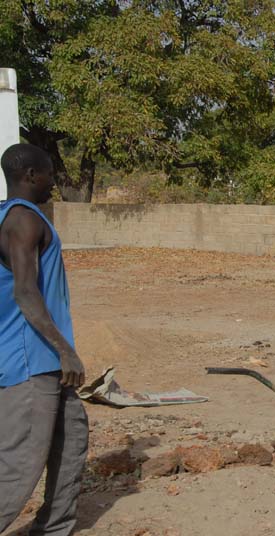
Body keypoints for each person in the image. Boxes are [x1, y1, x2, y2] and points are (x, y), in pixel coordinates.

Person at [0, 144, 88, 535]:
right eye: (50, 173)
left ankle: (54, 528)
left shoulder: (18, 216)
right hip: (31, 359)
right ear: (32, 175)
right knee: (20, 466)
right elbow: (24, 292)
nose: (55, 181)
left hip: (46, 359)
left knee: (71, 440)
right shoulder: (22, 219)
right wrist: (65, 350)